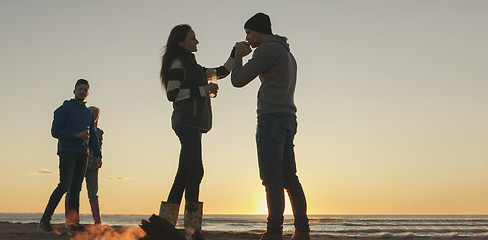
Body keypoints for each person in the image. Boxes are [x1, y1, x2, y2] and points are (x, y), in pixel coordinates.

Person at [231, 13, 310, 240]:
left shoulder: (267, 50)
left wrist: (238, 56)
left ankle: (274, 231)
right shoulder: (286, 52)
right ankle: (302, 231)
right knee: (290, 178)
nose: (247, 37)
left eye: (248, 32)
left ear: (259, 31)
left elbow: (238, 80)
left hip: (270, 118)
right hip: (288, 117)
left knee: (271, 179)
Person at [158, 24, 235, 238]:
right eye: (193, 38)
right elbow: (172, 94)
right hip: (185, 122)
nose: (197, 42)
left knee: (183, 174)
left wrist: (235, 54)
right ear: (181, 42)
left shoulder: (195, 66)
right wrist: (203, 90)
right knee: (197, 171)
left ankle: (165, 226)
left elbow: (221, 72)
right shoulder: (178, 63)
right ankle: (193, 230)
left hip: (194, 124)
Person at [38, 79, 102, 233]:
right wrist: (75, 135)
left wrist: (98, 154)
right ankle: (44, 221)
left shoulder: (87, 113)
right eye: (80, 89)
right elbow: (55, 132)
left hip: (83, 154)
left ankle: (73, 223)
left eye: (85, 90)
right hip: (67, 152)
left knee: (75, 189)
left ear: (88, 93)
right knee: (64, 186)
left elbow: (93, 135)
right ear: (74, 91)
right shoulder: (63, 109)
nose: (83, 92)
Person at [65, 106, 104, 226]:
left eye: (96, 114)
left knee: (93, 193)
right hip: (79, 163)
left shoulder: (99, 132)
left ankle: (97, 222)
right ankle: (70, 220)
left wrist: (99, 159)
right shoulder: (80, 129)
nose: (94, 116)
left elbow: (99, 146)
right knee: (73, 191)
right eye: (92, 113)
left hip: (92, 166)